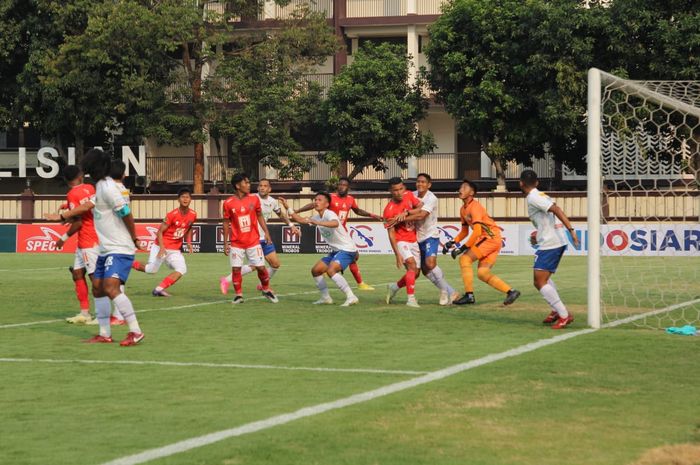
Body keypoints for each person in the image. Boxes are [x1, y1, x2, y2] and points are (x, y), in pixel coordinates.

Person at [46, 149, 145, 346]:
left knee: (109, 287)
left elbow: (126, 213)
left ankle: (135, 330)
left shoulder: (108, 188)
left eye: (90, 168)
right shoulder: (99, 186)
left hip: (119, 245)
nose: (88, 172)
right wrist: (63, 216)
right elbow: (86, 207)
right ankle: (104, 333)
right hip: (105, 247)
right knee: (98, 289)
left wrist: (134, 238)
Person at [53, 165, 125, 326]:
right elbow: (88, 206)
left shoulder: (72, 194)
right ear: (78, 176)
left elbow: (78, 221)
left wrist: (63, 237)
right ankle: (85, 313)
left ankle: (105, 315)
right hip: (92, 237)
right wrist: (68, 209)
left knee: (96, 279)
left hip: (88, 239)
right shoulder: (89, 187)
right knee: (77, 273)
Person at [292, 177, 381, 290]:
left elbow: (358, 211)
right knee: (352, 256)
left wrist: (373, 215)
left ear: (348, 187)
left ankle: (357, 282)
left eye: (344, 185)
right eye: (340, 184)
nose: (341, 187)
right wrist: (298, 211)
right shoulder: (331, 198)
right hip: (331, 230)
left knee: (354, 256)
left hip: (342, 232)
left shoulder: (350, 199)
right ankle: (359, 283)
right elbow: (313, 205)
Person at [444, 180, 521, 306]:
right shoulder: (463, 209)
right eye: (460, 187)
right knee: (482, 273)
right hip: (494, 239)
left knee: (465, 259)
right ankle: (511, 292)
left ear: (472, 193)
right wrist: (452, 242)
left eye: (464, 187)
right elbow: (464, 231)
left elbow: (477, 232)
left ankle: (469, 296)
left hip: (489, 238)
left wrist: (463, 248)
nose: (460, 189)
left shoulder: (475, 207)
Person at [520, 170, 579, 329]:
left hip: (551, 242)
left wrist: (571, 230)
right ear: (537, 182)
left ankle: (564, 315)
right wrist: (537, 235)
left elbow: (557, 210)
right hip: (553, 240)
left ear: (521, 183)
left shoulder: (533, 197)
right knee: (542, 279)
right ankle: (555, 310)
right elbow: (547, 219)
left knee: (539, 281)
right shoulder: (539, 195)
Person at [388, 173, 460, 305]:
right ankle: (395, 287)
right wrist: (401, 214)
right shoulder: (410, 194)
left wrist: (401, 218)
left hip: (430, 235)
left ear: (429, 185)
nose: (420, 184)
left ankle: (448, 292)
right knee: (420, 272)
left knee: (431, 264)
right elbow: (402, 206)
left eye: (423, 182)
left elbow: (421, 215)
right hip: (416, 238)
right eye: (418, 181)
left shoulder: (431, 198)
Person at [219, 179, 299, 294]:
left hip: (264, 238)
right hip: (252, 238)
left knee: (275, 264)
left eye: (265, 186)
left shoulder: (272, 201)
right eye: (260, 186)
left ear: (269, 189)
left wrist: (291, 225)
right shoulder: (251, 198)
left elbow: (280, 214)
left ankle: (262, 285)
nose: (262, 188)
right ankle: (227, 280)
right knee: (256, 265)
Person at [287, 192, 359, 307]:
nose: (316, 202)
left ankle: (351, 296)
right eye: (315, 199)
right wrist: (288, 207)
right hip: (336, 250)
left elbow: (335, 223)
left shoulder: (329, 214)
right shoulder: (316, 217)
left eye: (319, 200)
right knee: (316, 270)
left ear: (327, 204)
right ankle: (326, 298)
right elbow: (300, 220)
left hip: (347, 249)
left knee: (331, 271)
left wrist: (318, 222)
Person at [222, 173, 278, 304]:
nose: (249, 185)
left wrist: (266, 232)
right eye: (245, 183)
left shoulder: (254, 199)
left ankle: (265, 289)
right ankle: (238, 295)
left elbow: (260, 216)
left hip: (253, 241)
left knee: (261, 267)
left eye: (248, 182)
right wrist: (225, 242)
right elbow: (225, 223)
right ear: (237, 186)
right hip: (236, 243)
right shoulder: (228, 203)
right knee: (236, 269)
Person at [132, 188, 196, 296]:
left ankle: (158, 289)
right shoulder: (172, 214)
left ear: (190, 199)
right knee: (151, 270)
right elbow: (159, 232)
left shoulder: (193, 214)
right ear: (178, 199)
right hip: (161, 246)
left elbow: (189, 227)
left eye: (187, 197)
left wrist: (189, 242)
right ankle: (129, 262)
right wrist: (162, 248)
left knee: (182, 269)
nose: (185, 199)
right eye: (183, 197)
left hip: (175, 249)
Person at [383, 177, 422, 308]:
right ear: (390, 191)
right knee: (411, 265)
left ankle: (394, 287)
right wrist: (397, 254)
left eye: (401, 189)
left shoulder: (409, 195)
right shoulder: (389, 210)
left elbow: (420, 209)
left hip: (413, 239)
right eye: (395, 190)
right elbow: (391, 233)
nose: (399, 192)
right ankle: (411, 299)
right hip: (401, 241)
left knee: (416, 273)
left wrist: (406, 213)